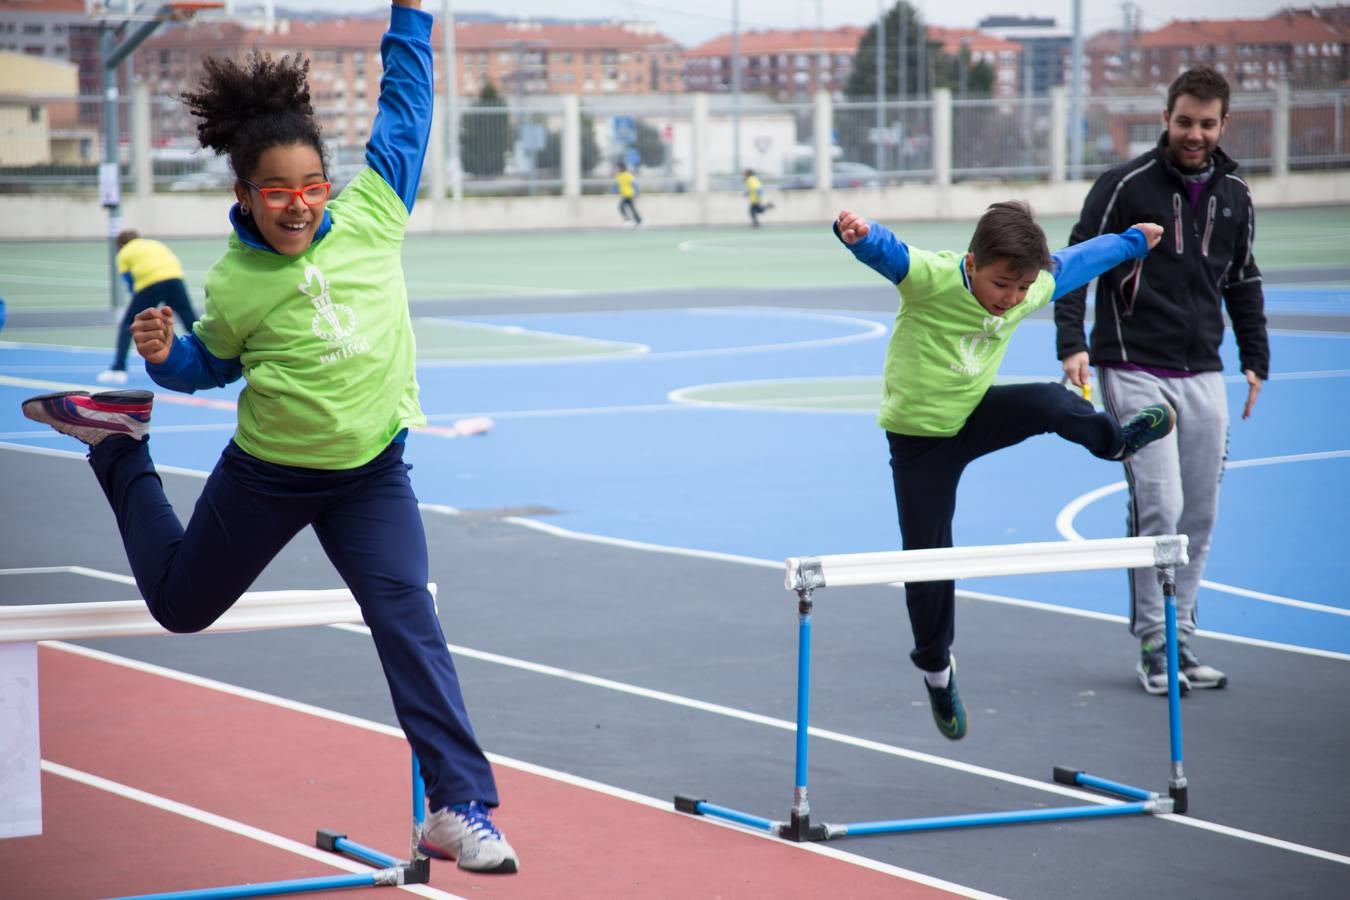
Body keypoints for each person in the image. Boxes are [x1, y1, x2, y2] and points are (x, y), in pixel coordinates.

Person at [21, 0, 518, 874]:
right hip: (271, 477)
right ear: (245, 194)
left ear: (329, 184)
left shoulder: (375, 212)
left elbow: (407, 105)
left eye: (311, 187)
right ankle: (117, 448)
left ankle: (457, 804)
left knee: (411, 618)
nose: (297, 206)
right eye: (277, 192)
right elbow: (209, 367)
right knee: (180, 605)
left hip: (373, 475)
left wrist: (414, 15)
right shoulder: (239, 279)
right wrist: (168, 360)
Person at [835, 202, 1172, 740]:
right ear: (971, 264)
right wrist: (856, 235)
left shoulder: (1031, 287)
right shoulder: (934, 279)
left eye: (1022, 289)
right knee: (928, 562)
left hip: (973, 415)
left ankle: (1115, 444)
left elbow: (1080, 261)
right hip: (920, 443)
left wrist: (1133, 240)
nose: (1011, 300)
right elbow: (893, 255)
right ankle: (936, 671)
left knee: (1048, 401)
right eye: (1001, 285)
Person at [1056, 65, 1268, 697]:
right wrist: (1073, 343)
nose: (1194, 134)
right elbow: (1073, 262)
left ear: (1223, 124)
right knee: (1161, 503)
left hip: (1203, 369)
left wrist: (1254, 356)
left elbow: (1243, 279)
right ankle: (1154, 640)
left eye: (1206, 124)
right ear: (1166, 119)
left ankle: (1181, 636)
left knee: (1199, 511)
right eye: (1184, 122)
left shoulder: (1236, 194)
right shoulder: (1125, 186)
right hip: (1131, 363)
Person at [98, 229, 199, 385]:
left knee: (128, 324)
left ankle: (118, 369)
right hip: (175, 278)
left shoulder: (124, 253)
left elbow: (130, 282)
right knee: (189, 320)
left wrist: (139, 304)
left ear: (121, 244)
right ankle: (209, 356)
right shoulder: (153, 243)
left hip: (149, 283)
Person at [614, 161, 642, 227]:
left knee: (630, 208)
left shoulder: (628, 175)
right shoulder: (618, 176)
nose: (617, 169)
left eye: (619, 167)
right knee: (622, 207)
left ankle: (638, 221)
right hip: (624, 195)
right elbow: (617, 185)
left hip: (630, 195)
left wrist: (637, 193)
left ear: (622, 167)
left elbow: (634, 184)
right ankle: (631, 220)